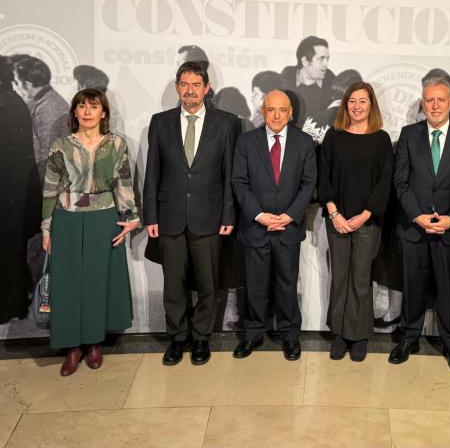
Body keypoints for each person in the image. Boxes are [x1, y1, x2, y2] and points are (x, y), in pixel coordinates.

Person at [143, 61, 239, 366]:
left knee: (208, 283)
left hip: (209, 218)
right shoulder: (160, 122)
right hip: (169, 218)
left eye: (196, 85)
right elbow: (152, 173)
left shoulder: (226, 124)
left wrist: (228, 215)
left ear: (207, 88)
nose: (190, 91)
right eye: (184, 85)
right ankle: (177, 337)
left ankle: (200, 339)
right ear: (177, 88)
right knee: (173, 284)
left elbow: (229, 175)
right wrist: (151, 216)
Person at [41, 89, 139, 376]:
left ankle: (95, 343)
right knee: (69, 284)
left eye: (93, 106)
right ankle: (72, 348)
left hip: (104, 219)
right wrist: (47, 227)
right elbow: (50, 189)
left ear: (103, 113)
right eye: (81, 106)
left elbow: (123, 183)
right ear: (74, 112)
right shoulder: (60, 145)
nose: (86, 111)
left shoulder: (116, 144)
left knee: (98, 282)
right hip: (67, 220)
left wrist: (131, 218)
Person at [391, 77, 450, 373]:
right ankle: (409, 338)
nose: (435, 105)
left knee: (447, 291)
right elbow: (400, 182)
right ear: (422, 104)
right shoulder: (408, 134)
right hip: (413, 229)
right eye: (429, 100)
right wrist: (417, 216)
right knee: (412, 288)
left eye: (441, 100)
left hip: (449, 231)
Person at [231, 90, 316, 361]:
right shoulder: (246, 142)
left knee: (287, 284)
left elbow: (309, 184)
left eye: (282, 110)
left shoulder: (304, 142)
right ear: (263, 111)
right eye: (271, 110)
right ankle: (253, 334)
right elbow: (239, 183)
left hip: (288, 228)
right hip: (257, 227)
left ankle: (290, 336)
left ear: (291, 112)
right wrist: (259, 215)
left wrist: (289, 215)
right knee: (255, 285)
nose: (277, 115)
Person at [318, 82, 393, 361]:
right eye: (352, 101)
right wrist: (334, 213)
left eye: (363, 101)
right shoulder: (334, 137)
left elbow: (385, 181)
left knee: (361, 279)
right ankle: (339, 334)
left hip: (367, 221)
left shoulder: (381, 139)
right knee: (340, 277)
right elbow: (323, 176)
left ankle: (358, 336)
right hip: (336, 219)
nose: (357, 106)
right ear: (345, 105)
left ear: (371, 105)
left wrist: (365, 214)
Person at [0, 56, 39, 324]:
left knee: (7, 250)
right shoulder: (14, 103)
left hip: (9, 194)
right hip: (14, 193)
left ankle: (9, 305)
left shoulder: (8, 105)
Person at [9, 54, 69, 181]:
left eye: (17, 82)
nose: (15, 87)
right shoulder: (45, 100)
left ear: (29, 84)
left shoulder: (48, 109)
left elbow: (47, 156)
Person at [280, 35, 335, 140]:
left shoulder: (332, 82)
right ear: (305, 61)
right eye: (321, 59)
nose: (326, 64)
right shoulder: (285, 80)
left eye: (327, 59)